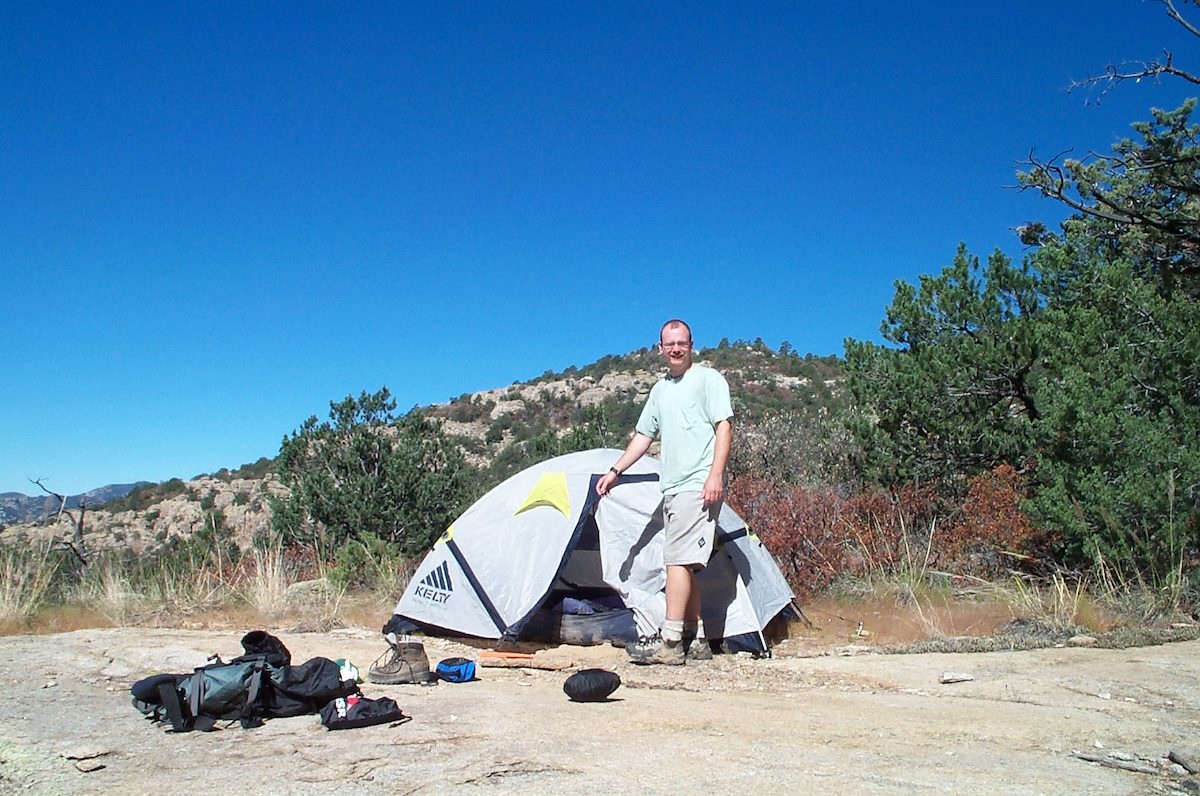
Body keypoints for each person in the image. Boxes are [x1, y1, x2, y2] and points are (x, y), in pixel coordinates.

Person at [595, 319, 733, 664]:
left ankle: (670, 644)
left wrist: (715, 476)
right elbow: (644, 436)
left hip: (697, 485)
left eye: (681, 344)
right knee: (683, 563)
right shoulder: (659, 391)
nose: (675, 349)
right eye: (669, 344)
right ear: (660, 349)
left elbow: (724, 427)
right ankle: (696, 638)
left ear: (691, 345)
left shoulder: (708, 380)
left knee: (675, 561)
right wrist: (616, 470)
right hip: (673, 488)